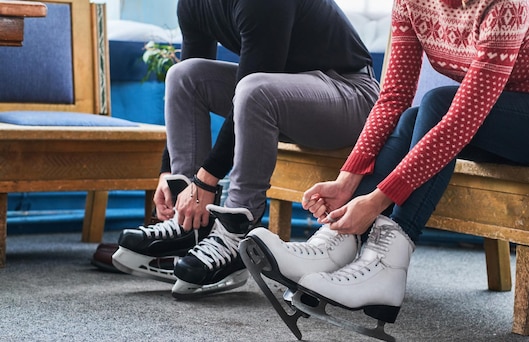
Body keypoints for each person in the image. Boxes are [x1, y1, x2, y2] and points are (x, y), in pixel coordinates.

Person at [247, 0, 529, 329]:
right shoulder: (412, 3)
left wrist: (374, 202)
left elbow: (460, 121)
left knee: (437, 105)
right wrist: (346, 182)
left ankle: (387, 264)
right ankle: (340, 239)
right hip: (504, 119)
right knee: (416, 113)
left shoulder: (506, 5)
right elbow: (393, 98)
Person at [109, 0, 379, 298]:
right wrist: (169, 172)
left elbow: (251, 86)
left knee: (254, 89)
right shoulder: (192, 4)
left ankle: (236, 234)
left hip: (351, 94)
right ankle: (188, 225)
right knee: (184, 75)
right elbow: (205, 75)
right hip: (286, 92)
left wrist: (205, 182)